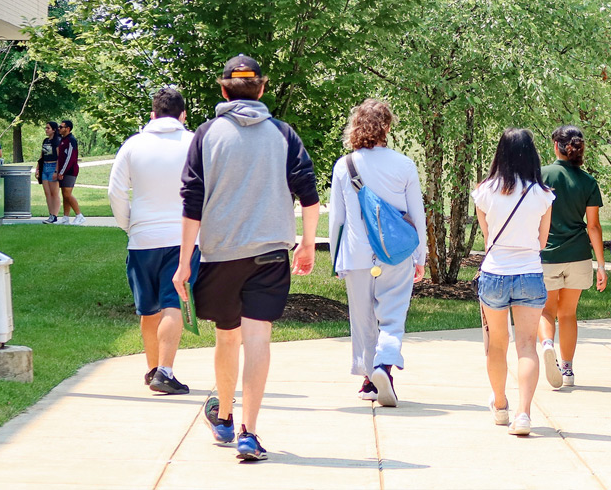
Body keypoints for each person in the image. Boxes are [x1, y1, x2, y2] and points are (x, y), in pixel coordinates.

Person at [173, 55, 320, 461]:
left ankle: (222, 416)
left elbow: (192, 202)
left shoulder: (205, 135)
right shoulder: (283, 135)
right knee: (258, 337)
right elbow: (309, 194)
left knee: (227, 335)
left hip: (221, 254)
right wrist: (307, 244)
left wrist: (185, 263)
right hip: (271, 253)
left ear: (223, 90)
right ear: (262, 88)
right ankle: (248, 433)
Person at [329, 99, 427, 408]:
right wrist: (420, 257)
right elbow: (417, 216)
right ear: (386, 127)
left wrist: (336, 259)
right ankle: (384, 364)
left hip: (357, 255)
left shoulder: (344, 166)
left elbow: (337, 220)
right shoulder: (403, 165)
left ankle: (369, 380)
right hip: (396, 254)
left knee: (362, 320)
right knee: (393, 315)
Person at [109, 87, 200, 395]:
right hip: (182, 237)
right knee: (173, 301)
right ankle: (165, 371)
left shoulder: (133, 145)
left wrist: (130, 224)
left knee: (149, 309)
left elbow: (115, 191)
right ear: (183, 114)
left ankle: (152, 370)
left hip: (142, 238)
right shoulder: (194, 143)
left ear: (152, 114)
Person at [472, 128, 555, 436]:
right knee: (526, 346)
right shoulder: (543, 194)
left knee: (497, 344)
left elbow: (487, 235)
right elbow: (542, 240)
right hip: (530, 273)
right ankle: (524, 414)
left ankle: (500, 404)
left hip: (495, 273)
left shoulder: (485, 191)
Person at [539, 125, 606, 389]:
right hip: (578, 255)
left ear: (556, 145)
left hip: (547, 254)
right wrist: (601, 265)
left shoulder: (541, 175)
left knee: (546, 310)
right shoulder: (588, 182)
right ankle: (567, 370)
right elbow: (593, 226)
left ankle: (546, 346)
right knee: (568, 314)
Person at [55, 120, 84, 225]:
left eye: (61, 127)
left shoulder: (71, 140)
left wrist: (62, 172)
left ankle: (79, 215)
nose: (59, 128)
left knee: (67, 194)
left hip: (70, 171)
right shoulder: (63, 140)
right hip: (63, 171)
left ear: (68, 128)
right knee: (64, 194)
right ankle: (66, 217)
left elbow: (70, 158)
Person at [36, 121, 63, 224]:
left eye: (48, 128)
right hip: (45, 166)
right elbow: (42, 156)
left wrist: (56, 170)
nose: (46, 130)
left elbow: (59, 157)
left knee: (54, 193)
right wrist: (38, 167)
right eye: (46, 128)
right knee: (47, 193)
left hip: (53, 166)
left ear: (54, 130)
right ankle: (50, 214)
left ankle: (55, 215)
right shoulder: (45, 141)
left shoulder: (57, 141)